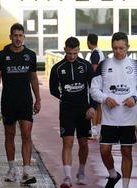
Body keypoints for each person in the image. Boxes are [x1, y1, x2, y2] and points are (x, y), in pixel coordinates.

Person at [90, 32, 137, 188]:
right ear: (112, 47)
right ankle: (113, 174)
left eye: (121, 48)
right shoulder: (104, 65)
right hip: (109, 118)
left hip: (129, 118)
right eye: (115, 48)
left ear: (128, 47)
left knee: (126, 153)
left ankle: (125, 186)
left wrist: (135, 99)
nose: (118, 51)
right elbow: (94, 89)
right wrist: (105, 98)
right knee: (104, 150)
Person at [0, 23, 41, 185]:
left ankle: (26, 171)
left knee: (26, 134)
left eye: (20, 35)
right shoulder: (1, 55)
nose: (18, 38)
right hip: (8, 102)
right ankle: (12, 169)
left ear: (24, 37)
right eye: (15, 35)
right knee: (9, 135)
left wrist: (38, 99)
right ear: (10, 36)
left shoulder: (30, 55)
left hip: (25, 101)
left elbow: (33, 78)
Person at [49, 36, 96, 188]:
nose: (72, 56)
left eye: (75, 53)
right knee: (67, 142)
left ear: (78, 51)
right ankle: (67, 177)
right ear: (65, 50)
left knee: (83, 143)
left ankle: (81, 172)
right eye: (69, 53)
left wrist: (92, 107)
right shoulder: (57, 68)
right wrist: (65, 97)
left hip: (84, 111)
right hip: (67, 111)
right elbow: (53, 89)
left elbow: (94, 88)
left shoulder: (86, 66)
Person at [87, 33, 105, 139]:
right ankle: (98, 131)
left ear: (88, 42)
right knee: (99, 108)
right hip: (101, 83)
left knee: (93, 107)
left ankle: (94, 132)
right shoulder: (99, 52)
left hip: (96, 84)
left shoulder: (95, 53)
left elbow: (94, 69)